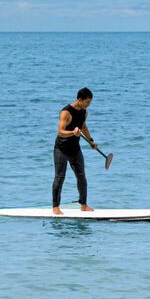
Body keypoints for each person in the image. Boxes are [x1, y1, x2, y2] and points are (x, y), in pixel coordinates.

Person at [52, 87, 98, 215]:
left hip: (75, 149)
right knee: (60, 177)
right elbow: (60, 132)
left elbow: (83, 126)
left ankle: (83, 205)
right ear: (79, 99)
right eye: (87, 102)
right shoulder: (66, 112)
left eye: (90, 103)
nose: (88, 105)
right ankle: (55, 207)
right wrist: (72, 132)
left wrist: (91, 141)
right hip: (61, 149)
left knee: (81, 176)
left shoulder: (84, 112)